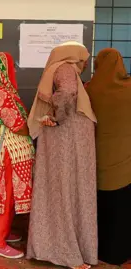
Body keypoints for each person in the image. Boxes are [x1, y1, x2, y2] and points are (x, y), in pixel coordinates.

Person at [26, 41, 98, 269]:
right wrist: (58, 117)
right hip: (68, 141)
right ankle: (68, 250)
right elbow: (67, 92)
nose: (86, 62)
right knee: (68, 190)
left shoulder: (59, 70)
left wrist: (58, 117)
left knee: (60, 189)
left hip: (66, 141)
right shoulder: (66, 69)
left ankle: (53, 245)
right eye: (84, 57)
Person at [0, 52, 34, 258]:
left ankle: (3, 233)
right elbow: (18, 125)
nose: (14, 72)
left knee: (6, 195)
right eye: (11, 68)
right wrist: (32, 129)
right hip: (4, 153)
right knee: (1, 196)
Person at [86, 48, 131, 266]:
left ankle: (99, 250)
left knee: (100, 209)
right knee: (123, 210)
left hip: (97, 162)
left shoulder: (88, 90)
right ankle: (120, 252)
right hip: (125, 163)